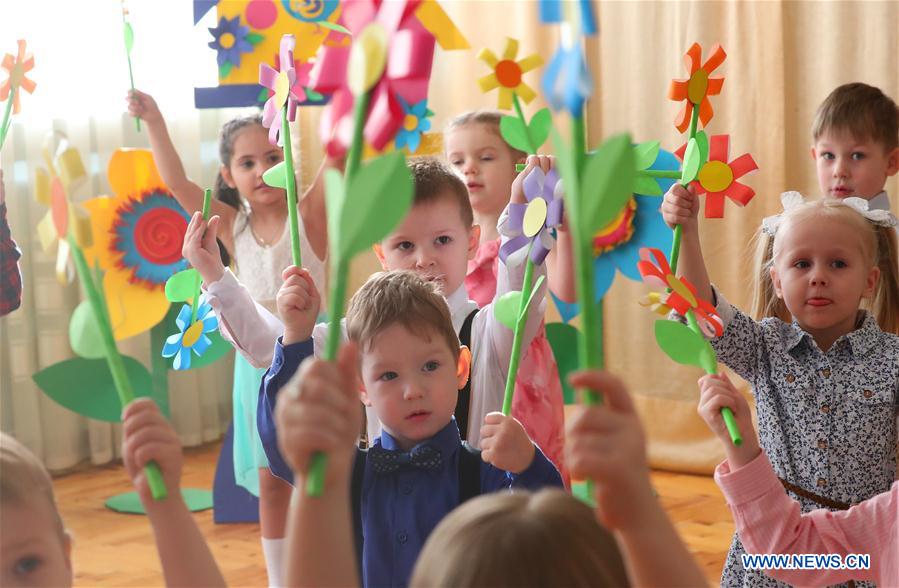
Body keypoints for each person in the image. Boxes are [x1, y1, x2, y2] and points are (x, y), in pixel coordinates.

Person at [661, 190, 899, 587]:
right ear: (777, 280)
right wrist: (686, 231)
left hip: (854, 553)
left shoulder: (893, 359)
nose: (818, 276)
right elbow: (699, 307)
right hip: (772, 547)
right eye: (801, 264)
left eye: (838, 264)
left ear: (869, 281)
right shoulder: (763, 347)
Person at [276, 270, 563, 587]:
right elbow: (290, 443)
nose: (413, 390)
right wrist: (295, 337)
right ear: (362, 387)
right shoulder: (345, 472)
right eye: (389, 376)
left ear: (460, 368)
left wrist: (528, 465)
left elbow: (546, 536)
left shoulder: (484, 472)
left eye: (429, 366)